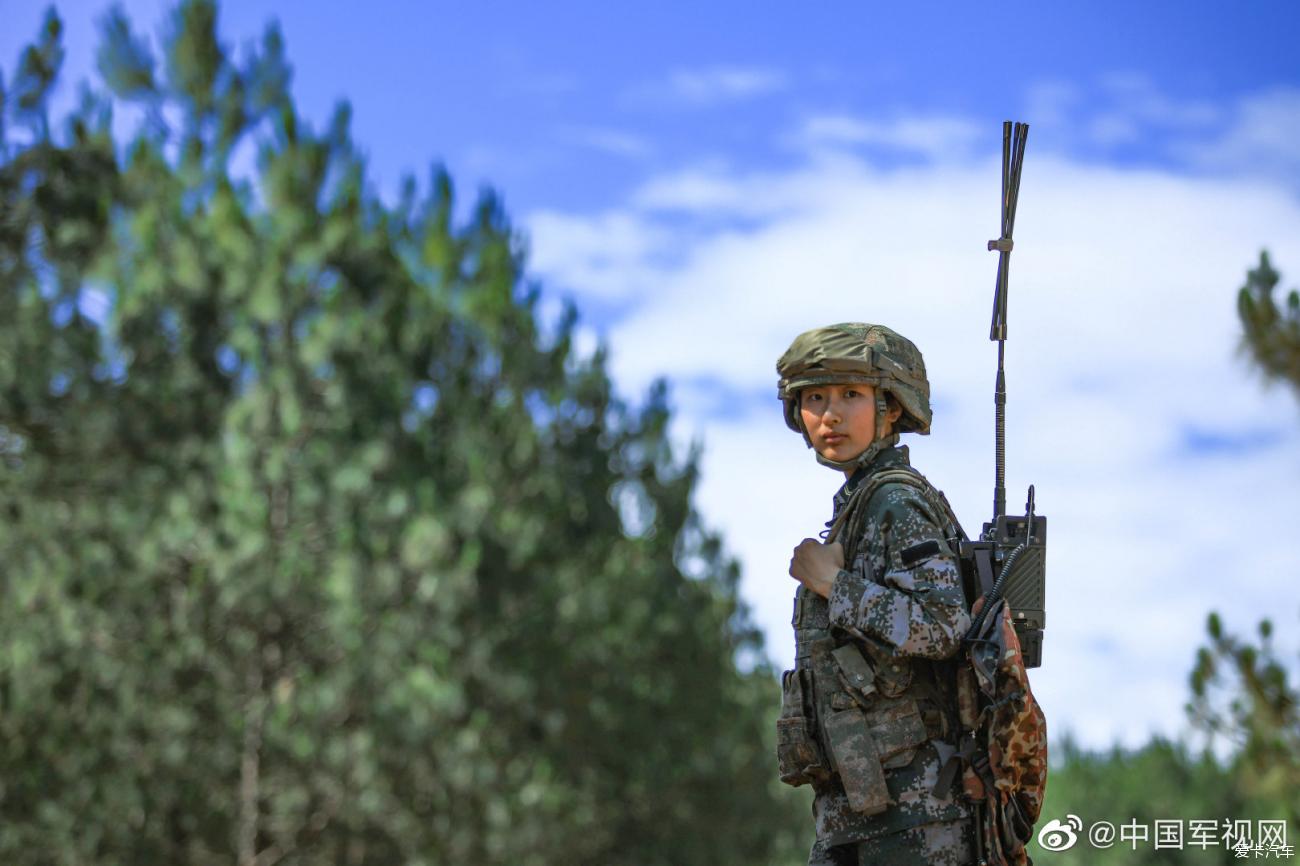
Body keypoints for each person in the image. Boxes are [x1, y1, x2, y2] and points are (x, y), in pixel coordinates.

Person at [775, 322, 976, 866]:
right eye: (815, 398)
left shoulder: (893, 501)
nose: (830, 414)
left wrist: (831, 583)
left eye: (850, 396)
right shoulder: (860, 503)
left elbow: (943, 624)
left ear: (890, 407)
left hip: (916, 816)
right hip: (864, 812)